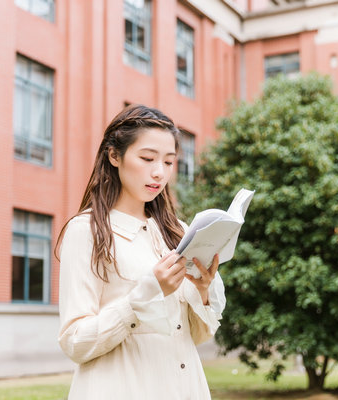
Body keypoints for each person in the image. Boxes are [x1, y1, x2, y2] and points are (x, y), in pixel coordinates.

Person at [56, 104, 226, 399]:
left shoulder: (178, 232)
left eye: (169, 162)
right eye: (147, 158)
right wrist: (146, 295)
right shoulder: (87, 231)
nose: (159, 172)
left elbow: (195, 336)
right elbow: (75, 342)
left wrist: (202, 290)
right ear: (114, 156)